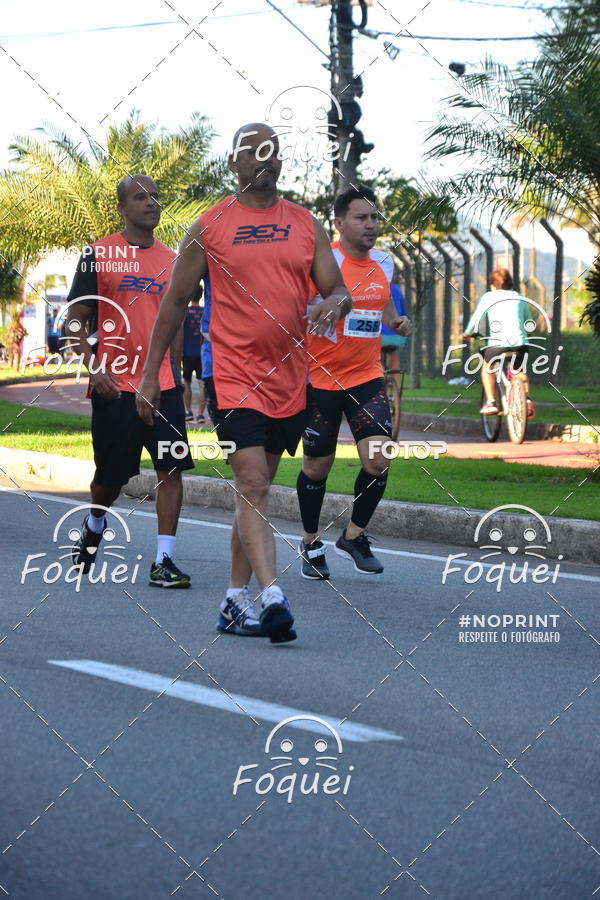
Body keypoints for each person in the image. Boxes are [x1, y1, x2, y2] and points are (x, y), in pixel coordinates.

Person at [136, 122, 351, 642]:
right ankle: (272, 597)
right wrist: (150, 372)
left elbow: (337, 288)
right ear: (233, 163)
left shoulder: (305, 223)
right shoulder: (209, 226)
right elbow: (173, 303)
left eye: (273, 152)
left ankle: (233, 603)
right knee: (252, 483)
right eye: (254, 152)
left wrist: (333, 303)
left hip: (289, 382)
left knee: (253, 493)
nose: (265, 159)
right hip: (230, 377)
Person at [65, 174, 194, 588]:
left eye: (155, 196)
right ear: (122, 208)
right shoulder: (98, 255)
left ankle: (164, 561)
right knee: (110, 479)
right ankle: (95, 521)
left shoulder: (174, 261)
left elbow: (175, 324)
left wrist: (174, 375)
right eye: (140, 197)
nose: (151, 203)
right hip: (114, 386)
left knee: (170, 468)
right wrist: (93, 367)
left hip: (162, 386)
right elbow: (75, 321)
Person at [297, 185, 413, 579]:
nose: (371, 225)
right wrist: (322, 311)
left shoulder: (383, 261)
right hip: (319, 379)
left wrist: (395, 321)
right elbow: (300, 309)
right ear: (339, 223)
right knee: (317, 466)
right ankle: (311, 543)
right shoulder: (321, 261)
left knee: (379, 460)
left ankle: (353, 536)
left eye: (374, 217)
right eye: (362, 217)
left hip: (366, 377)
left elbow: (382, 306)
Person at [463, 267, 536, 418]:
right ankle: (527, 399)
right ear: (511, 283)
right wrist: (529, 332)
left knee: (487, 366)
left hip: (497, 344)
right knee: (520, 371)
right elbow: (530, 323)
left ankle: (491, 402)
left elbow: (477, 318)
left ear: (493, 285)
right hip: (520, 343)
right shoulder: (519, 297)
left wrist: (467, 333)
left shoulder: (489, 297)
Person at [182, 289, 206, 425]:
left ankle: (188, 411)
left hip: (187, 353)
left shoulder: (185, 311)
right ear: (201, 295)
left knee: (187, 382)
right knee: (202, 384)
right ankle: (201, 415)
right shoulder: (204, 312)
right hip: (202, 353)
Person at [381, 281, 408, 390]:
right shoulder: (397, 289)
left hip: (380, 336)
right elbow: (403, 311)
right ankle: (395, 387)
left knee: (376, 360)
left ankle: (380, 384)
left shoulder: (376, 287)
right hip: (397, 336)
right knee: (394, 354)